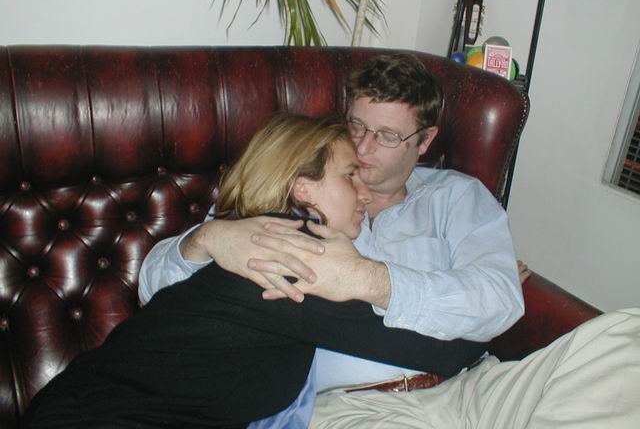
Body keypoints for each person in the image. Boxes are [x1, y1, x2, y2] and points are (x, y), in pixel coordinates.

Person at [22, 114, 487, 429]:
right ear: (302, 188)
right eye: (349, 175)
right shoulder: (287, 258)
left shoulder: (266, 240)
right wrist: (489, 313)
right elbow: (438, 353)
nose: (364, 194)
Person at [139, 54, 525, 426]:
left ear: (425, 141)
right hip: (357, 407)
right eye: (356, 126)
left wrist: (369, 280)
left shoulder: (458, 196)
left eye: (387, 135)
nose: (363, 147)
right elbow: (155, 292)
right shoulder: (294, 192)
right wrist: (205, 238)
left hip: (476, 387)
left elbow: (499, 298)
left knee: (567, 362)